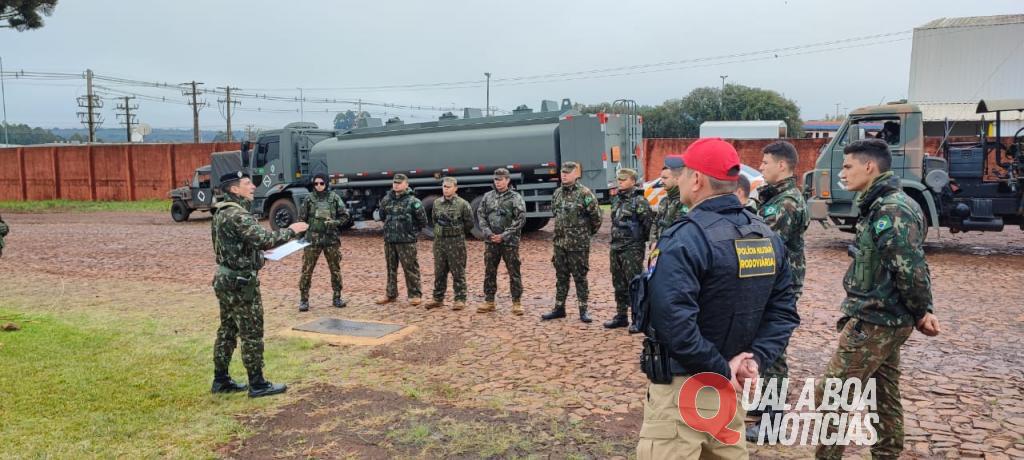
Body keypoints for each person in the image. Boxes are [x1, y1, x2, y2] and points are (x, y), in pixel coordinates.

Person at [632, 138, 799, 458]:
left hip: (683, 388)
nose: (677, 178)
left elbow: (673, 323)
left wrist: (721, 369)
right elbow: (783, 313)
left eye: (682, 173)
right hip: (730, 389)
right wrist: (754, 360)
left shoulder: (685, 237)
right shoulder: (766, 236)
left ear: (696, 180)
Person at [815, 139, 940, 460]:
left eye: (847, 166)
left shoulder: (891, 208)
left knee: (831, 395)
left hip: (876, 320)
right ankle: (886, 454)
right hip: (885, 318)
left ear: (869, 167)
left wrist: (922, 311)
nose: (842, 173)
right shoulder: (881, 204)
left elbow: (910, 269)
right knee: (883, 395)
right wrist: (920, 310)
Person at [211, 170, 308, 397]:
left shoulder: (221, 211)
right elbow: (264, 240)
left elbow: (234, 247)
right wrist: (291, 230)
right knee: (251, 332)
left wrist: (258, 257)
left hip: (226, 278)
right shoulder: (238, 215)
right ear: (234, 189)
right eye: (247, 183)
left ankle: (221, 379)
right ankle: (258, 384)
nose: (253, 186)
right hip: (241, 282)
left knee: (227, 329)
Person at [746, 141, 810, 441]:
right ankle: (764, 405)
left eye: (766, 162)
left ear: (782, 165)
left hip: (778, 287)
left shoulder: (786, 203)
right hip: (768, 284)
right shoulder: (774, 197)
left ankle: (772, 423)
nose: (761, 167)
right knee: (765, 347)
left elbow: (762, 241)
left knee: (774, 351)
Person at [542, 161, 602, 323]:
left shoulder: (585, 194)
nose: (564, 175)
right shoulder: (557, 194)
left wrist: (583, 235)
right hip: (560, 244)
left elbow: (596, 218)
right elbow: (556, 214)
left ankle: (583, 310)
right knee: (561, 277)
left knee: (580, 278)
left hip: (578, 246)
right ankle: (559, 308)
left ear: (577, 174)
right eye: (563, 172)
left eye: (568, 172)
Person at [604, 168, 652, 331]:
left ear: (633, 181)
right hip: (616, 246)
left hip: (632, 248)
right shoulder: (616, 200)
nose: (620, 182)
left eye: (624, 180)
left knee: (635, 283)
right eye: (619, 179)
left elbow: (647, 225)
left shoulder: (639, 201)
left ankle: (638, 318)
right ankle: (621, 315)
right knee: (618, 283)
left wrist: (638, 243)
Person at [297, 173, 351, 312]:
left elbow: (345, 216)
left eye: (321, 183)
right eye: (316, 183)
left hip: (330, 239)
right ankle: (304, 300)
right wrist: (300, 238)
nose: (319, 186)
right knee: (307, 271)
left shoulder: (334, 198)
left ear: (326, 183)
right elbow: (301, 219)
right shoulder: (309, 199)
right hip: (312, 240)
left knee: (335, 270)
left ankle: (337, 297)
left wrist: (335, 223)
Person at [477, 168, 527, 315]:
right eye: (496, 180)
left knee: (514, 272)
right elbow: (481, 216)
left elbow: (520, 219)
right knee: (489, 271)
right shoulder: (488, 196)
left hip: (509, 242)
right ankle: (489, 301)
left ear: (508, 180)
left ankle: (517, 302)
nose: (498, 182)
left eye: (501, 179)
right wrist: (488, 233)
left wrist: (504, 235)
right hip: (491, 241)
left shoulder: (515, 198)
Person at [375, 174, 428, 306]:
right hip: (390, 240)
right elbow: (382, 216)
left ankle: (415, 294)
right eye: (395, 183)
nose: (396, 185)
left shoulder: (413, 202)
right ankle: (391, 294)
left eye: (399, 183)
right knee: (391, 269)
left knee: (410, 268)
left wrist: (411, 232)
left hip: (407, 242)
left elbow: (423, 221)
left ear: (406, 184)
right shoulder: (386, 200)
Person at [425, 177, 474, 310]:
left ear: (455, 188)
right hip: (440, 242)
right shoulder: (437, 203)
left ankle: (460, 299)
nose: (445, 189)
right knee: (439, 271)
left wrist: (456, 231)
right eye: (444, 187)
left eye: (448, 187)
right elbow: (434, 219)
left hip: (455, 242)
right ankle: (437, 298)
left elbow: (469, 223)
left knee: (458, 271)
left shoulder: (462, 204)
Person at [648, 160, 689, 244]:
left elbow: (681, 229)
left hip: (673, 247)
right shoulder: (664, 200)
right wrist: (653, 242)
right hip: (660, 246)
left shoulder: (684, 201)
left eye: (665, 178)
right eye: (661, 178)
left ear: (677, 179)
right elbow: (655, 222)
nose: (661, 181)